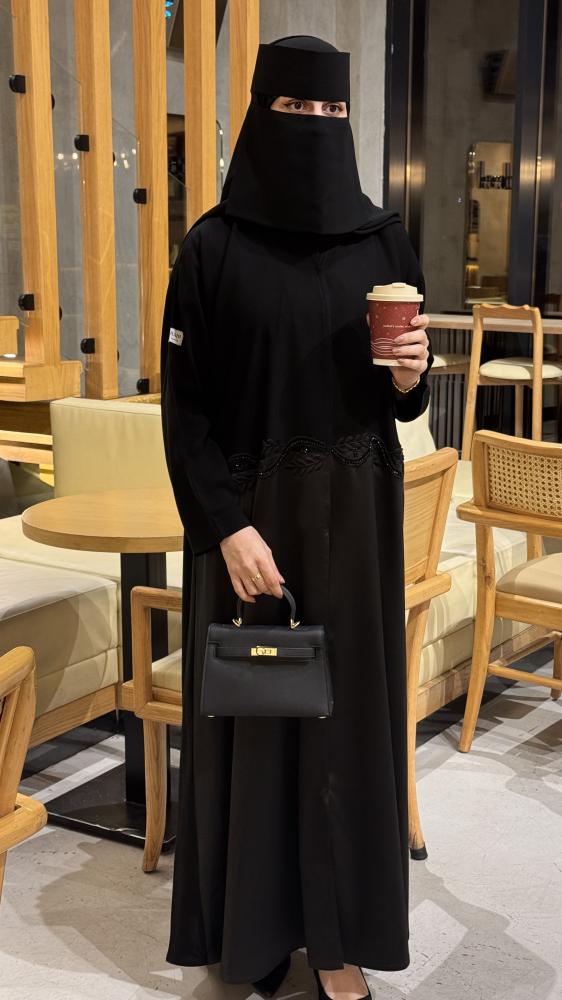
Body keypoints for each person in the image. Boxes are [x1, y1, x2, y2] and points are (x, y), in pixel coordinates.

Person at [160, 34, 433, 1000]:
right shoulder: (213, 247)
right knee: (258, 721)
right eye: (295, 110)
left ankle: (342, 941)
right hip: (250, 526)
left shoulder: (383, 241)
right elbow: (185, 410)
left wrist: (414, 376)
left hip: (357, 520)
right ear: (259, 115)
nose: (316, 126)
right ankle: (256, 935)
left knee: (348, 725)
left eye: (332, 111)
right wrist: (225, 527)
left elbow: (403, 403)